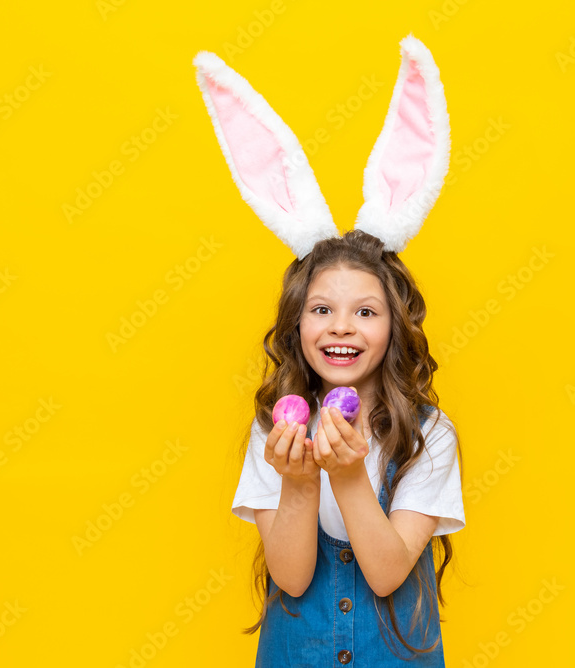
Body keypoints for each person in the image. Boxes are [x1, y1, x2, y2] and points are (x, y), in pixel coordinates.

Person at [194, 34, 464, 666]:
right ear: (296, 325)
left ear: (395, 327)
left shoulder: (430, 435)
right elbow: (290, 578)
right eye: (322, 310)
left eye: (365, 312)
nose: (341, 327)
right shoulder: (275, 429)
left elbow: (388, 573)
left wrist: (346, 475)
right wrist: (296, 485)